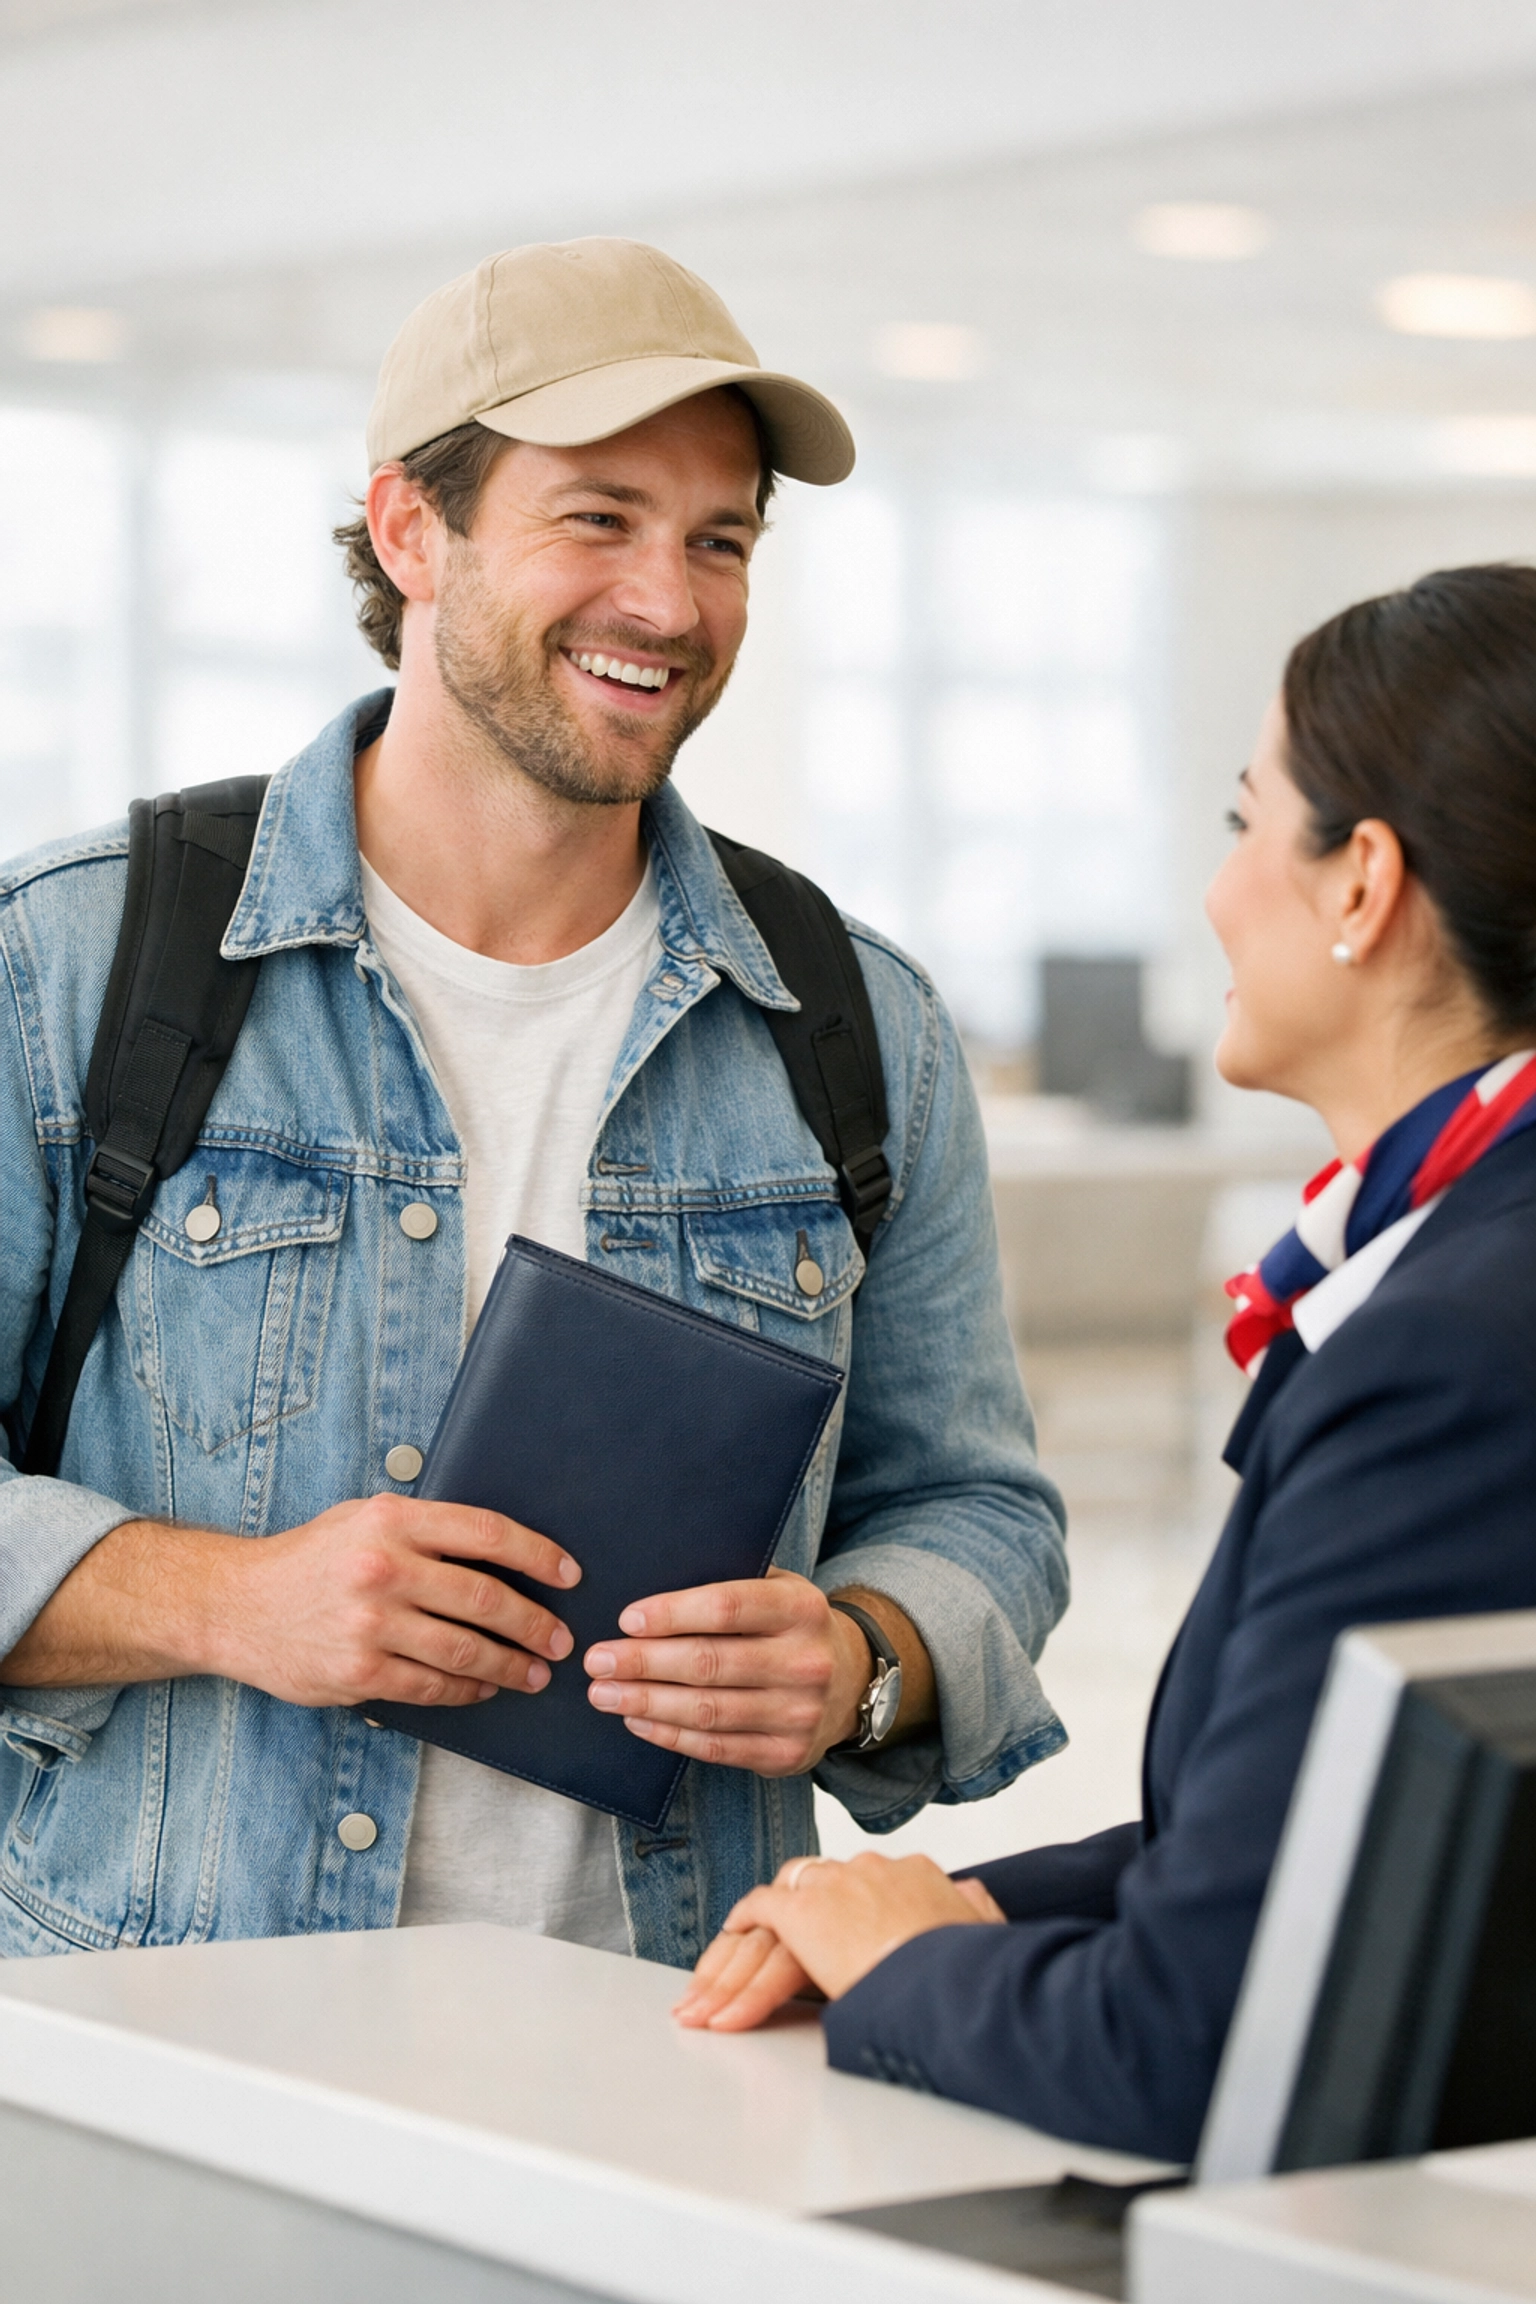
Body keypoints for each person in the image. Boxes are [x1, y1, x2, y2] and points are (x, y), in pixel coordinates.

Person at [0, 238, 1068, 1965]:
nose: (672, 600)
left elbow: (976, 1506)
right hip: (171, 2038)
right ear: (413, 531)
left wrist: (866, 1658)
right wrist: (236, 1600)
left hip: (664, 2044)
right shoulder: (73, 964)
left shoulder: (855, 1020)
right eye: (600, 518)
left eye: (722, 540)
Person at [675, 561, 1536, 2162]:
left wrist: (914, 1968)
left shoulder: (1445, 1354)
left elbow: (1183, 2045)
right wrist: (947, 1901)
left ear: (1363, 886)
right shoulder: (1462, 1262)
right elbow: (1309, 1838)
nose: (1215, 892)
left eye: (1243, 823)